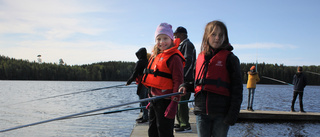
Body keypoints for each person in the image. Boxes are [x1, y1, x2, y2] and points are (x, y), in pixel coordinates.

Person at [179, 20, 243, 137]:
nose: (217, 38)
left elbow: (237, 90)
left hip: (221, 114)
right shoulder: (201, 57)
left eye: (221, 35)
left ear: (225, 37)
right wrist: (185, 86)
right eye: (213, 34)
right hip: (201, 112)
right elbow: (196, 82)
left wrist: (232, 115)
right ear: (207, 36)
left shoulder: (231, 59)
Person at [142, 22, 185, 137]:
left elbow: (178, 82)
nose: (162, 42)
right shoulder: (155, 55)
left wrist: (173, 104)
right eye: (159, 39)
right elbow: (152, 81)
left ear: (171, 39)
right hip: (154, 101)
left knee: (164, 132)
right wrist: (150, 98)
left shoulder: (174, 57)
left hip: (166, 102)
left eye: (165, 38)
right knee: (152, 132)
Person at [173, 26, 196, 132]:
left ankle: (185, 125)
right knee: (178, 101)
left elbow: (188, 61)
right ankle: (180, 122)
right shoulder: (182, 45)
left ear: (182, 35)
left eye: (176, 35)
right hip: (182, 79)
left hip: (186, 80)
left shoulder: (187, 45)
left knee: (182, 102)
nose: (174, 37)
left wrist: (182, 77)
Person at [126, 47, 149, 123]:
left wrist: (128, 82)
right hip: (148, 83)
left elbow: (135, 74)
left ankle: (145, 117)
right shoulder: (148, 61)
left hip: (141, 83)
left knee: (142, 100)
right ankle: (145, 116)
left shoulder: (139, 62)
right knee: (146, 99)